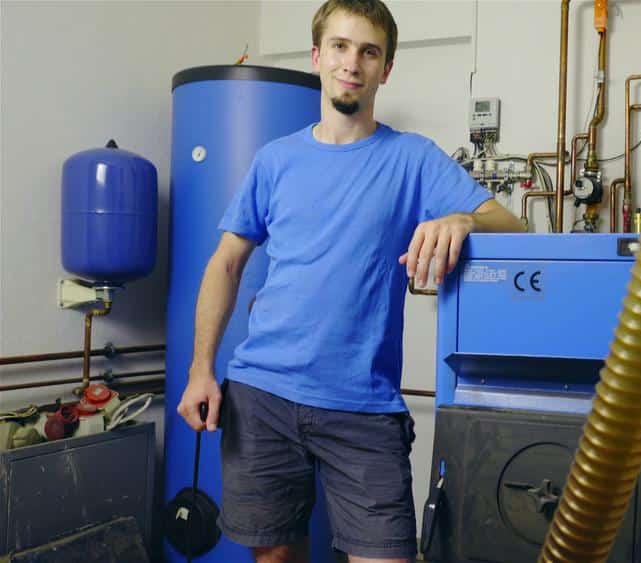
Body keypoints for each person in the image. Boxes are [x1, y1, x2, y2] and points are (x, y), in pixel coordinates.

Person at [175, 1, 524, 561]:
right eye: (339, 46)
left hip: (363, 405)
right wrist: (200, 370)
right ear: (317, 56)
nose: (352, 63)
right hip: (263, 395)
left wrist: (463, 218)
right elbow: (225, 264)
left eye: (369, 51)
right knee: (276, 557)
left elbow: (514, 226)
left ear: (386, 68)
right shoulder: (275, 160)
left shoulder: (412, 158)